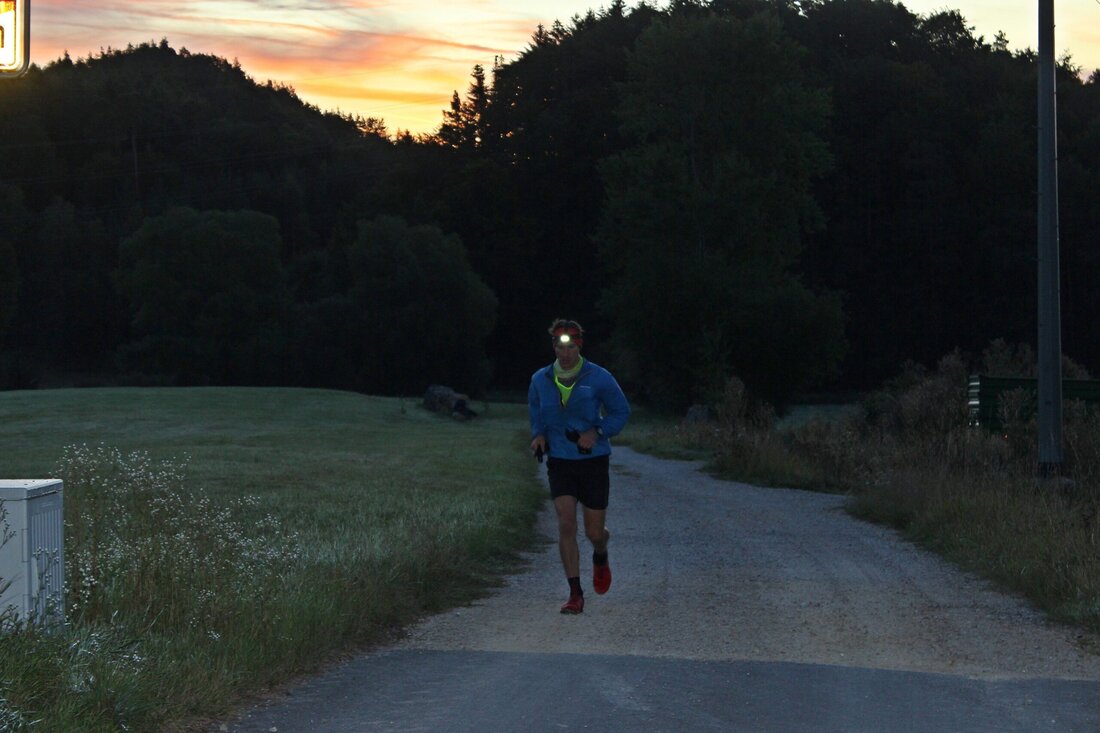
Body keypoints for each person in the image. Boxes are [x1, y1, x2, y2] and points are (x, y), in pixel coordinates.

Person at [528, 318, 630, 614]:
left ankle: (601, 553)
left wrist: (596, 432)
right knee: (566, 523)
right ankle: (575, 593)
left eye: (571, 347)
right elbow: (537, 413)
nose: (566, 354)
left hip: (592, 461)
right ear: (554, 348)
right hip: (560, 461)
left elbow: (620, 412)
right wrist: (539, 436)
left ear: (579, 346)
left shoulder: (599, 377)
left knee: (593, 532)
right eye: (561, 348)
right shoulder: (540, 379)